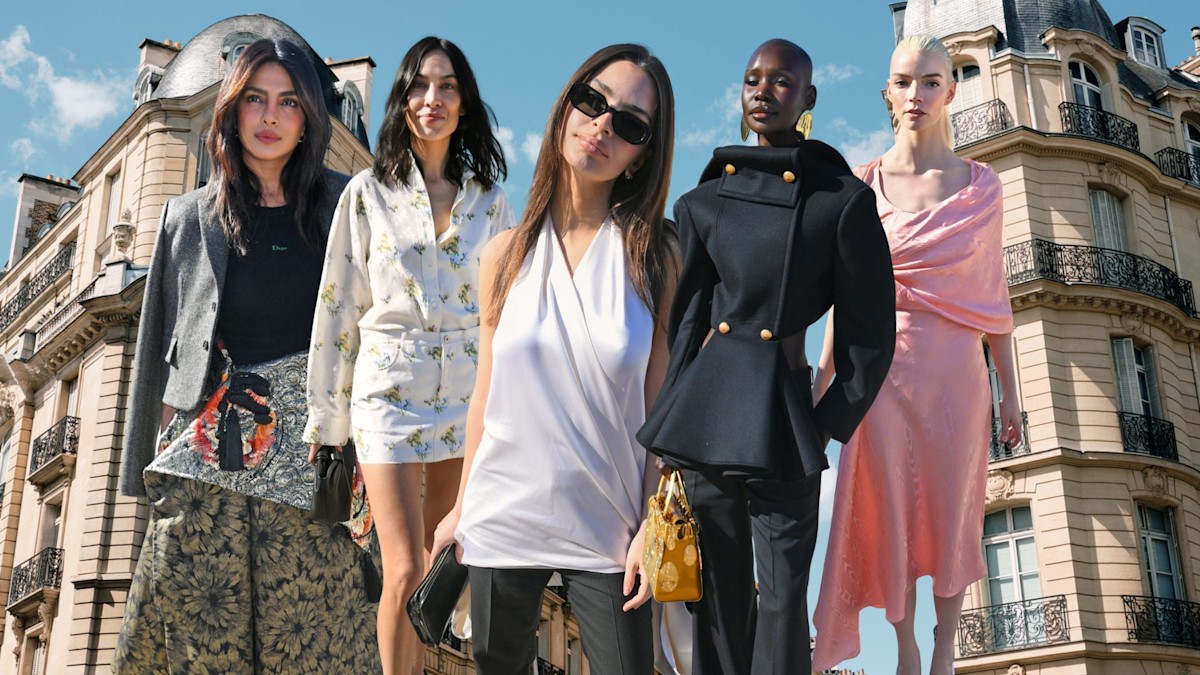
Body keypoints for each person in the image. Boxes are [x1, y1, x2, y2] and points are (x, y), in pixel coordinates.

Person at [114, 39, 380, 673]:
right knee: (196, 638)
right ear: (232, 111)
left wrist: (375, 456)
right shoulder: (187, 217)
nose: (270, 116)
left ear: (309, 118)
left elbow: (374, 331)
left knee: (316, 641)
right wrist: (140, 469)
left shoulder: (349, 204)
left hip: (316, 459)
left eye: (288, 102)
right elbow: (157, 345)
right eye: (255, 99)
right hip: (210, 452)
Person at [637, 39, 897, 675]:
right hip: (706, 418)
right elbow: (687, 323)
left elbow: (869, 336)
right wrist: (669, 428)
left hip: (784, 420)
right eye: (753, 78)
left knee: (782, 600)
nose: (762, 90)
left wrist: (824, 424)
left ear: (808, 97)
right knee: (717, 598)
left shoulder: (840, 201)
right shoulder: (704, 202)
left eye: (781, 81)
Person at [430, 43, 677, 675]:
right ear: (566, 105)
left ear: (643, 154)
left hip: (612, 526)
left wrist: (655, 520)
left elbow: (661, 406)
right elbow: (485, 397)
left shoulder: (657, 257)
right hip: (502, 515)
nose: (602, 125)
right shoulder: (501, 255)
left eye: (630, 124)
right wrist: (460, 508)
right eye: (592, 101)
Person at [810, 34, 1019, 675]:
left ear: (950, 92)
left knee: (955, 510)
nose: (916, 95)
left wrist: (1011, 394)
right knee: (890, 509)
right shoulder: (860, 185)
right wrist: (822, 382)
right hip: (880, 372)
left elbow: (993, 294)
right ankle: (904, 645)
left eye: (930, 82)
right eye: (904, 81)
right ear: (887, 92)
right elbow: (844, 296)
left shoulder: (982, 186)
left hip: (958, 374)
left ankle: (945, 646)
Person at [303, 36, 512, 675]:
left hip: (463, 399)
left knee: (438, 565)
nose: (432, 98)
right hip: (386, 394)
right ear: (402, 98)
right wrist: (326, 420)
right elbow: (339, 303)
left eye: (447, 86)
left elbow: (505, 315)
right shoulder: (367, 193)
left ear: (464, 102)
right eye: (420, 85)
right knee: (402, 568)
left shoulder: (491, 200)